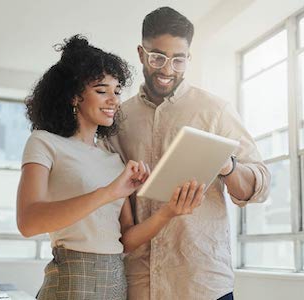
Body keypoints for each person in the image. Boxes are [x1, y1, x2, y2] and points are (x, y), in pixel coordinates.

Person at [17, 35, 204, 300]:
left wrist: (169, 212)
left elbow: (125, 239)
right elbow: (28, 222)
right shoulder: (44, 143)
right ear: (74, 96)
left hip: (116, 283)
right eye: (101, 90)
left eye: (117, 91)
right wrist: (109, 192)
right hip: (71, 284)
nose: (114, 100)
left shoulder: (113, 160)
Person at [107, 7, 271, 300]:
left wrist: (228, 167)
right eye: (158, 57)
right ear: (141, 53)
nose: (168, 69)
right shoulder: (120, 118)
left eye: (178, 60)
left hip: (202, 284)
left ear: (188, 58)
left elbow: (259, 186)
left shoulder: (215, 111)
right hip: (139, 284)